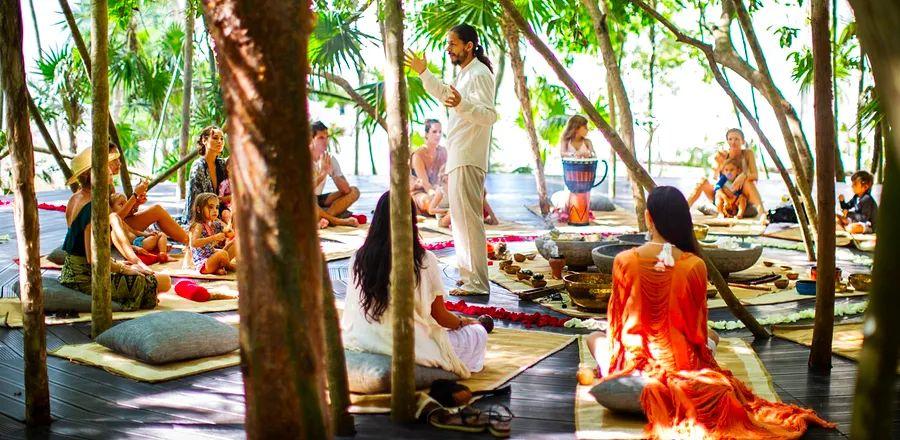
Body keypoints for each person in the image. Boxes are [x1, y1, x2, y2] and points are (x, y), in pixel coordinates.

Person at [586, 186, 833, 438]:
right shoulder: (694, 265)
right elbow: (696, 334)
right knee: (711, 336)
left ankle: (643, 391)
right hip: (681, 367)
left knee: (593, 338)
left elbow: (617, 325)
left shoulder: (624, 260)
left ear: (649, 217)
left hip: (633, 367)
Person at [342, 192, 488, 378]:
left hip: (364, 339)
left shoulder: (358, 257)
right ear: (412, 220)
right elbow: (440, 316)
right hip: (409, 344)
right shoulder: (424, 260)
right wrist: (463, 322)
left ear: (377, 218)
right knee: (477, 333)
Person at [406, 23, 498, 296]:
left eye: (453, 44)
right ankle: (470, 277)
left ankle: (477, 283)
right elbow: (447, 94)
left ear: (469, 46)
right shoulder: (465, 75)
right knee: (460, 220)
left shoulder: (479, 74)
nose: (448, 49)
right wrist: (423, 71)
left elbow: (488, 116)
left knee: (468, 220)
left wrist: (461, 104)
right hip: (461, 155)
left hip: (469, 155)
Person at [60, 147, 171, 311]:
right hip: (84, 279)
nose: (110, 169)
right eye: (105, 166)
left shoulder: (75, 198)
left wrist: (118, 263)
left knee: (146, 275)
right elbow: (93, 259)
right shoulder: (94, 206)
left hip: (69, 274)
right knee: (164, 281)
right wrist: (125, 269)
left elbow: (82, 247)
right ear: (93, 173)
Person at [108, 144, 190, 244]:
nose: (119, 163)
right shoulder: (100, 186)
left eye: (119, 159)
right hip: (110, 232)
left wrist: (136, 203)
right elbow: (113, 221)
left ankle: (189, 240)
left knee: (156, 209)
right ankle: (191, 242)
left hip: (121, 226)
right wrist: (134, 195)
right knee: (157, 211)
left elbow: (122, 216)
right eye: (114, 159)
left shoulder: (110, 184)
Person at [688, 128, 764, 219]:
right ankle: (683, 208)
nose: (733, 142)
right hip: (722, 196)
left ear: (743, 141)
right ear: (727, 141)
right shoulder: (723, 155)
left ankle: (762, 214)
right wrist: (719, 164)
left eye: (737, 139)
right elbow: (715, 178)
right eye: (730, 139)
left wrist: (743, 176)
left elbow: (755, 176)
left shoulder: (748, 154)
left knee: (749, 182)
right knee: (703, 181)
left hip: (739, 196)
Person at [311, 121, 361, 228]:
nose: (325, 141)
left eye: (327, 137)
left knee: (354, 191)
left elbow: (346, 190)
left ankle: (325, 218)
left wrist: (332, 173)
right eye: (320, 138)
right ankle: (339, 221)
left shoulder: (330, 159)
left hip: (318, 200)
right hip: (305, 200)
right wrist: (323, 174)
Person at [181, 126, 230, 226]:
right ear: (204, 140)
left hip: (220, 213)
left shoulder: (221, 164)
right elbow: (198, 203)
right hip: (201, 218)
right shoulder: (198, 166)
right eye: (215, 138)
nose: (220, 141)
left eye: (222, 139)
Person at [110, 193, 170, 263]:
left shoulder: (122, 222)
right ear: (111, 208)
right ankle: (163, 254)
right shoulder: (114, 225)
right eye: (121, 204)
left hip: (140, 240)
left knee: (158, 236)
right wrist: (135, 248)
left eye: (126, 204)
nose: (124, 207)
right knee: (161, 235)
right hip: (139, 244)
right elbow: (121, 243)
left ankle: (162, 251)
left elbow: (135, 231)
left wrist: (147, 234)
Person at [188, 193, 237, 275]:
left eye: (217, 207)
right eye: (211, 207)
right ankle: (228, 266)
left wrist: (231, 219)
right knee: (222, 254)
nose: (215, 210)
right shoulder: (198, 225)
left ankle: (219, 268)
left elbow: (230, 234)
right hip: (204, 264)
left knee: (236, 243)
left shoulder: (214, 223)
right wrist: (213, 238)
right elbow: (194, 243)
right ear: (199, 210)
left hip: (213, 256)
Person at [411, 119, 449, 218]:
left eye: (440, 132)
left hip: (439, 192)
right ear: (426, 134)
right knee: (429, 200)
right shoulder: (418, 155)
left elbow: (446, 177)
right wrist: (435, 195)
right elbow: (425, 184)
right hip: (422, 193)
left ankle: (445, 213)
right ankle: (445, 213)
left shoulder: (443, 151)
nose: (438, 135)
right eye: (434, 132)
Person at [219, 156, 234, 225]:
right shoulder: (225, 183)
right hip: (227, 207)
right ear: (228, 168)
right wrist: (229, 198)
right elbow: (219, 199)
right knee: (226, 214)